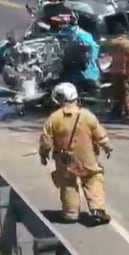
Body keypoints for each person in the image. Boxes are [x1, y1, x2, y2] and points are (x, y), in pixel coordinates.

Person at [38, 82, 113, 225]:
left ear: (58, 99)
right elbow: (99, 134)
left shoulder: (53, 118)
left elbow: (46, 141)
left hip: (64, 158)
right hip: (87, 156)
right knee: (93, 179)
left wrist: (43, 155)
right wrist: (107, 147)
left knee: (68, 184)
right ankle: (97, 210)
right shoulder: (87, 116)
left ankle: (71, 213)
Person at [49, 9, 102, 93]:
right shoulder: (61, 35)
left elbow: (91, 54)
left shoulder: (82, 36)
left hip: (85, 76)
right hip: (71, 75)